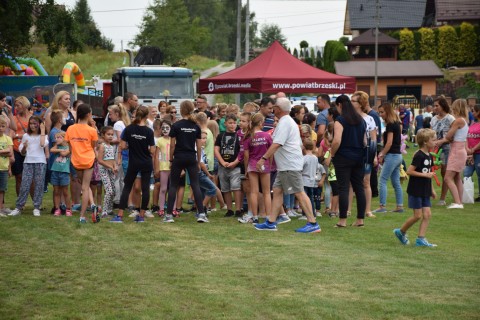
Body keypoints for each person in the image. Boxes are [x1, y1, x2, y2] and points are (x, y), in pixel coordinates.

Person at [254, 97, 321, 233]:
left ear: (278, 109)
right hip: (285, 166)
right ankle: (271, 222)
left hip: (290, 165)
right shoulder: (287, 122)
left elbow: (277, 143)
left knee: (299, 192)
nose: (273, 110)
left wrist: (263, 159)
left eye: (274, 107)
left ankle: (313, 223)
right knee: (277, 191)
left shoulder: (285, 123)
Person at [394, 128, 438, 247]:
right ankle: (400, 231)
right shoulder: (419, 155)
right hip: (416, 190)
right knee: (417, 215)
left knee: (427, 214)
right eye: (433, 140)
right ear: (425, 141)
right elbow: (409, 171)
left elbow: (429, 173)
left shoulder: (429, 156)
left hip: (425, 190)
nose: (436, 142)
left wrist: (432, 190)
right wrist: (425, 175)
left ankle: (421, 239)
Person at [110, 106, 155, 223]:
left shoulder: (129, 129)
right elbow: (153, 151)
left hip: (133, 161)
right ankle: (141, 216)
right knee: (145, 189)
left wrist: (132, 146)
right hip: (146, 162)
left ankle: (119, 216)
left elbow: (123, 146)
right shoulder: (149, 131)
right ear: (146, 116)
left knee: (127, 186)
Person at [166, 100, 207, 223]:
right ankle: (201, 214)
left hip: (178, 157)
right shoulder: (196, 126)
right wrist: (198, 161)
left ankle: (168, 215)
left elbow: (172, 145)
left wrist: (171, 159)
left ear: (181, 110)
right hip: (191, 157)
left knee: (173, 185)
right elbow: (199, 147)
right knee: (195, 185)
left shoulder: (176, 125)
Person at [330, 95, 366, 228]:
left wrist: (332, 154)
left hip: (343, 157)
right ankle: (360, 219)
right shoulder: (361, 120)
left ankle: (342, 220)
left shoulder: (340, 120)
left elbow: (337, 140)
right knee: (359, 188)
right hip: (359, 156)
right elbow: (364, 141)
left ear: (339, 105)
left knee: (343, 188)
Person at [65, 104, 99, 223]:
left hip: (76, 160)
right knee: (85, 187)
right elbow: (93, 146)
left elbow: (70, 147)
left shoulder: (70, 128)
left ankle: (91, 206)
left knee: (83, 185)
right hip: (88, 160)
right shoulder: (92, 130)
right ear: (88, 114)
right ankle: (82, 216)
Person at [9, 116, 48, 217]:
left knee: (39, 185)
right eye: (31, 123)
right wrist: (25, 147)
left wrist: (43, 131)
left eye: (35, 123)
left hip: (40, 162)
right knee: (25, 184)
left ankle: (36, 207)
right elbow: (22, 152)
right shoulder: (26, 136)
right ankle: (19, 207)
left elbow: (43, 144)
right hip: (28, 162)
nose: (32, 125)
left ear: (40, 124)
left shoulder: (43, 136)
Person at [351, 91, 377, 218]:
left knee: (366, 182)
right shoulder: (348, 118)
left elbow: (373, 140)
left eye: (353, 101)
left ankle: (368, 210)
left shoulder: (370, 119)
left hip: (366, 154)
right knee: (350, 182)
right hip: (352, 152)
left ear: (361, 103)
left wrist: (375, 156)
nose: (351, 103)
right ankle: (348, 210)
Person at [244, 113, 273, 224]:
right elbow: (270, 153)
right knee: (266, 192)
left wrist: (247, 168)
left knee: (254, 192)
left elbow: (246, 156)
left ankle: (255, 216)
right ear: (261, 123)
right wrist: (269, 165)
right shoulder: (267, 136)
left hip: (252, 165)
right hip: (264, 164)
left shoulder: (248, 136)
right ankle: (269, 216)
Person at [374, 102, 404, 213]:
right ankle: (399, 207)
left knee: (382, 180)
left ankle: (382, 207)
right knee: (396, 182)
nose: (380, 114)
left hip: (392, 156)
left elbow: (389, 143)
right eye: (379, 112)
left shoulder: (391, 124)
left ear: (388, 111)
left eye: (382, 112)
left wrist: (381, 154)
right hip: (398, 156)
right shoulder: (396, 123)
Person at [215, 114, 243, 217]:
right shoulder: (220, 136)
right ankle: (229, 209)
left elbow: (241, 151)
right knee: (225, 188)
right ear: (225, 123)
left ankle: (238, 209)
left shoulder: (239, 136)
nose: (232, 125)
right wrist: (222, 162)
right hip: (223, 166)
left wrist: (235, 162)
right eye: (230, 123)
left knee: (236, 187)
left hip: (235, 166)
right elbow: (216, 150)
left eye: (234, 123)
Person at [443, 99, 469, 209]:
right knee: (457, 177)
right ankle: (459, 201)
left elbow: (448, 136)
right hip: (460, 149)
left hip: (456, 150)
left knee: (447, 178)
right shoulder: (465, 120)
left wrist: (448, 135)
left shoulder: (458, 120)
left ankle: (458, 202)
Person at [431, 97, 455, 205]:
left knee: (444, 172)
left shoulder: (450, 119)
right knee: (429, 170)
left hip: (446, 148)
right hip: (434, 147)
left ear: (443, 106)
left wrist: (441, 142)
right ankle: (428, 194)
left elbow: (452, 136)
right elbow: (431, 133)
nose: (435, 108)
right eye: (434, 105)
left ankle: (442, 199)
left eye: (437, 105)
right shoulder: (433, 119)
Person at [10, 96, 31, 196]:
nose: (16, 108)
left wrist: (18, 135)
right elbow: (11, 134)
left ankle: (36, 203)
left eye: (18, 105)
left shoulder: (33, 117)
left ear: (24, 105)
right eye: (15, 106)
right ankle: (20, 202)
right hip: (16, 149)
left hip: (30, 150)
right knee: (19, 176)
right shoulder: (14, 118)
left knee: (31, 177)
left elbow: (35, 133)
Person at [97, 126, 118, 217]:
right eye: (108, 134)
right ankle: (104, 211)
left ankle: (110, 209)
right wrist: (110, 166)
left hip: (111, 170)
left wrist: (115, 166)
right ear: (103, 135)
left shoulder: (111, 146)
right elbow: (100, 160)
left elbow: (112, 159)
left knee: (113, 190)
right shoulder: (102, 146)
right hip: (104, 170)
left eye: (112, 135)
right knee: (109, 190)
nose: (110, 136)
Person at [50, 131, 72, 217]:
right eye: (55, 138)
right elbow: (52, 150)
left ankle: (68, 209)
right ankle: (57, 208)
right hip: (55, 171)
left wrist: (59, 150)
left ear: (64, 138)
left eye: (58, 137)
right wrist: (59, 149)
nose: (56, 139)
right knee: (56, 191)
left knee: (65, 191)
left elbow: (64, 153)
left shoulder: (69, 147)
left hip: (64, 172)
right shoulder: (57, 146)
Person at [302, 139, 326, 217]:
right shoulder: (315, 158)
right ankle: (312, 213)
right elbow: (316, 168)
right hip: (312, 181)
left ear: (304, 147)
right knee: (311, 198)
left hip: (304, 180)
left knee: (304, 198)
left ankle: (305, 214)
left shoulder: (304, 158)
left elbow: (301, 168)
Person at [154, 120, 172, 217]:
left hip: (173, 168)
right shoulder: (159, 141)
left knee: (173, 188)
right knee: (163, 188)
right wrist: (156, 168)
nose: (165, 130)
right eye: (163, 128)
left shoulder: (174, 139)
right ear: (160, 129)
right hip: (163, 168)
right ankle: (161, 209)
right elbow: (156, 156)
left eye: (167, 128)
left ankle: (173, 209)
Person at [465, 104, 480, 202]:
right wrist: (467, 149)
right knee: (467, 173)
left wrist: (474, 149)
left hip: (478, 153)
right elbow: (467, 137)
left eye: (473, 111)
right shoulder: (473, 123)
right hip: (470, 154)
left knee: (479, 174)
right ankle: (466, 194)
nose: (472, 112)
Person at [0, 117, 13, 217]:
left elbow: (10, 154)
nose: (0, 128)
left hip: (4, 168)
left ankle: (1, 208)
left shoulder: (7, 138)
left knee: (2, 189)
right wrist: (5, 151)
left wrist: (9, 169)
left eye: (2, 126)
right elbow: (7, 151)